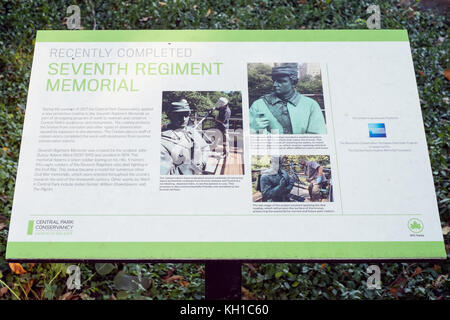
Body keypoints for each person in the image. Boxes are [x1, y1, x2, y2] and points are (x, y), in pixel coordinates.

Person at [249, 63, 326, 134]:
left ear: (293, 83)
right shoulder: (258, 105)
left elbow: (318, 137)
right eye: (274, 81)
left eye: (281, 81)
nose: (275, 84)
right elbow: (249, 134)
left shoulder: (310, 105)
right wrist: (253, 129)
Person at [160, 99, 210, 175]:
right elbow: (167, 174)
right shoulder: (162, 141)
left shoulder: (192, 131)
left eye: (186, 114)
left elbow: (205, 147)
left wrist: (202, 162)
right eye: (179, 115)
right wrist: (192, 163)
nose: (183, 119)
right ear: (170, 116)